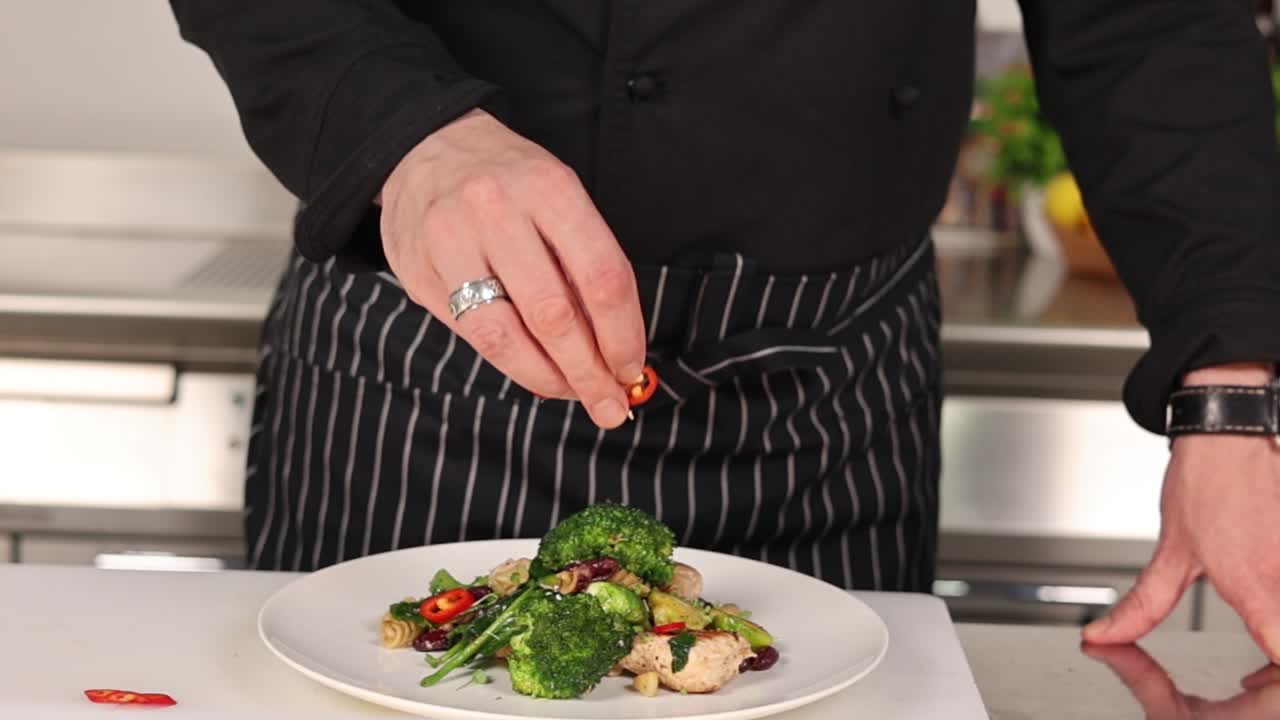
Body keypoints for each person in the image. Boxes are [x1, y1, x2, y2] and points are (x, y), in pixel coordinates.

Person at [169, 2, 1280, 661]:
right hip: (445, 359)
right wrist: (404, 135)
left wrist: (1228, 382)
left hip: (834, 393)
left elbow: (1150, 18)